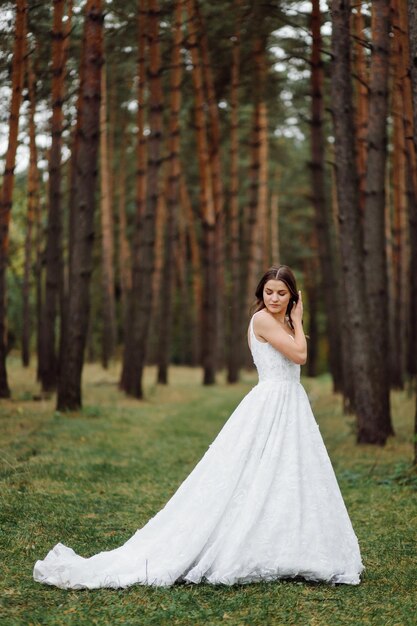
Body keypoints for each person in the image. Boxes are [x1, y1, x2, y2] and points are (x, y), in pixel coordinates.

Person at [34, 265, 363, 589]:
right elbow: (301, 356)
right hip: (271, 401)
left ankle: (292, 546)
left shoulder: (282, 320)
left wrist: (292, 320)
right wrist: (300, 318)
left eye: (281, 293)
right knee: (251, 475)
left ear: (291, 294)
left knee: (288, 475)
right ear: (261, 294)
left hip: (292, 404)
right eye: (268, 292)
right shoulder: (263, 319)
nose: (274, 298)